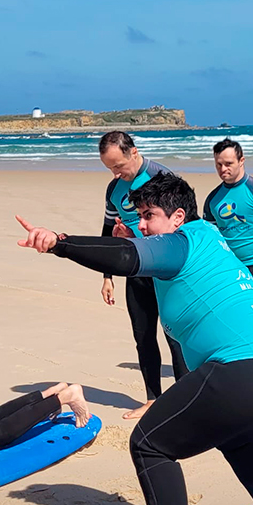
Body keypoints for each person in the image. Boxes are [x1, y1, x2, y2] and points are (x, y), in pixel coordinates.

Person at [17, 172, 253, 505]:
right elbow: (140, 256)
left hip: (250, 367)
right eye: (138, 216)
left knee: (149, 443)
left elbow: (126, 257)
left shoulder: (180, 240)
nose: (141, 224)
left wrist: (59, 243)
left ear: (177, 217)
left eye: (149, 216)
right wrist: (135, 239)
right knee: (237, 435)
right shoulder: (206, 238)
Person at [98, 131, 188, 419]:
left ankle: (185, 399)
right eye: (110, 168)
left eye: (119, 165)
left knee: (176, 336)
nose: (116, 173)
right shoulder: (114, 189)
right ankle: (153, 399)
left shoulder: (162, 179)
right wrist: (107, 275)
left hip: (166, 271)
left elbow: (184, 227)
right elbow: (107, 232)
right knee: (143, 334)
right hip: (137, 271)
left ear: (134, 152)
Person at [203, 138, 253, 302]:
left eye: (228, 164)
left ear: (241, 161)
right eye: (218, 164)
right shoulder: (212, 199)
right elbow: (212, 238)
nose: (223, 169)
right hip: (229, 267)